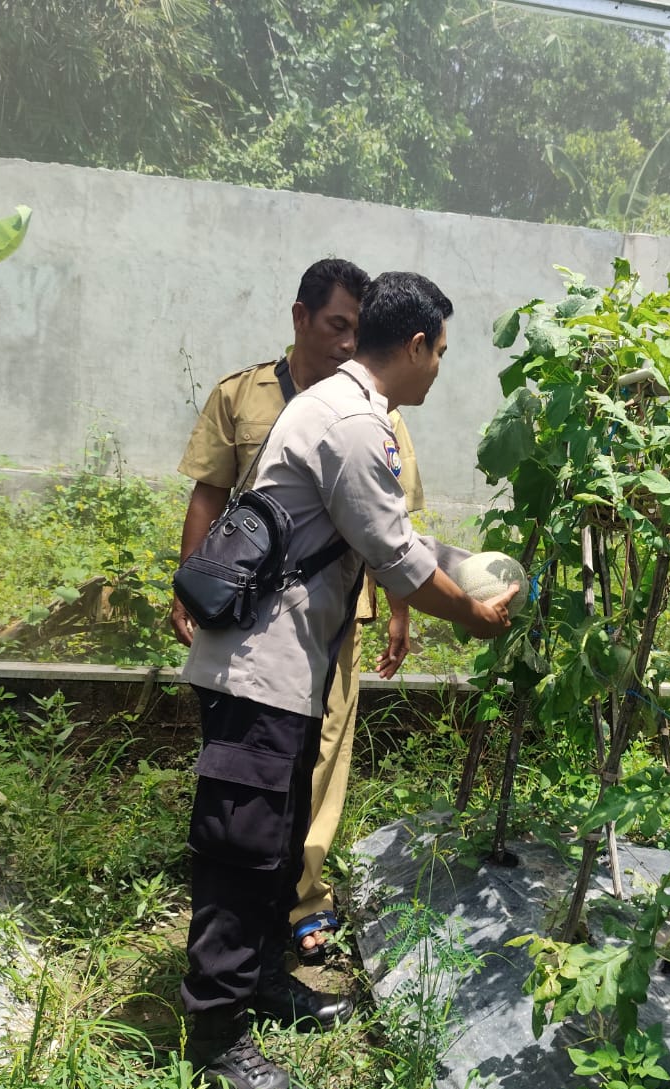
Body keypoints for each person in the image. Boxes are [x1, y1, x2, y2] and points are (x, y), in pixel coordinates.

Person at [177, 271, 516, 1089]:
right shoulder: (355, 421)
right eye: (439, 351)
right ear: (412, 346)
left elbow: (390, 533)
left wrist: (459, 562)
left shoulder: (342, 408)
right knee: (240, 851)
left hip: (288, 670)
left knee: (280, 839)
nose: (440, 367)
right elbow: (397, 560)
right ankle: (214, 1041)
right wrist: (470, 613)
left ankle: (257, 983)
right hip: (262, 672)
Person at [173, 258, 424, 964]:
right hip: (253, 622)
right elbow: (209, 495)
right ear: (301, 317)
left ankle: (299, 899)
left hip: (335, 619)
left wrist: (401, 612)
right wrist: (186, 585)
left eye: (358, 327)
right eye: (337, 324)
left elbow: (398, 529)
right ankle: (236, 943)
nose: (347, 342)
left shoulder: (382, 419)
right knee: (249, 775)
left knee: (316, 764)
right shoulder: (245, 395)